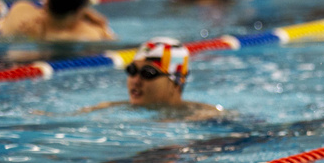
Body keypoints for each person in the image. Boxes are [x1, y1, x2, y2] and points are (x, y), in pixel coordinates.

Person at [80, 38, 231, 121]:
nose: (135, 80)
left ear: (176, 82)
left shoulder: (206, 117)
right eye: (132, 71)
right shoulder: (106, 109)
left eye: (148, 73)